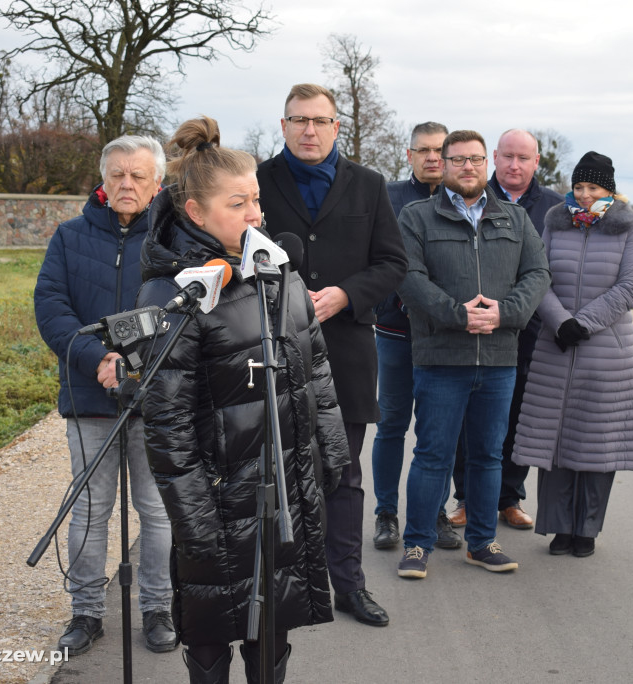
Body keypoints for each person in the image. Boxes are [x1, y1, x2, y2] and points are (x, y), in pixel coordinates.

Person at [136, 116, 350, 683]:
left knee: (273, 626)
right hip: (216, 494)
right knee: (210, 631)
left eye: (256, 200)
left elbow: (317, 371)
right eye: (238, 204)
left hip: (284, 487)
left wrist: (330, 458)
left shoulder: (279, 273)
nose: (255, 214)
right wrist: (193, 511)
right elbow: (167, 421)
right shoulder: (174, 291)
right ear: (197, 213)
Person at [257, 84, 407, 627]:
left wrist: (345, 294)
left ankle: (349, 585)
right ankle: (284, 586)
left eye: (320, 121)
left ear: (336, 127)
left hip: (345, 352)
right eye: (298, 120)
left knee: (342, 475)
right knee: (275, 473)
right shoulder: (255, 182)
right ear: (283, 124)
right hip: (269, 352)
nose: (309, 130)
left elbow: (393, 263)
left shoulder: (369, 186)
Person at [34, 135, 176, 655]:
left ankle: (157, 608)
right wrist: (100, 360)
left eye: (138, 175)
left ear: (157, 183)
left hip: (156, 397)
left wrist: (140, 364)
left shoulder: (174, 241)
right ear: (103, 179)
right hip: (90, 398)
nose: (127, 184)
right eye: (117, 174)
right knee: (91, 509)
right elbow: (51, 309)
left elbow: (185, 314)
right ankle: (86, 613)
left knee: (157, 510)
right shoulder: (69, 237)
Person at [395, 130, 550, 580]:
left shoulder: (515, 219)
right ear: (442, 165)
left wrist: (505, 313)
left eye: (475, 160)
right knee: (432, 455)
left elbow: (538, 273)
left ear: (487, 165)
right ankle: (417, 545)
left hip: (500, 359)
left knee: (487, 456)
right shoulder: (417, 217)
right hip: (442, 358)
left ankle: (482, 543)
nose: (467, 167)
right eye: (458, 160)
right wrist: (457, 315)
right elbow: (409, 276)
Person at [512, 151, 633, 558]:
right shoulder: (555, 222)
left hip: (607, 354)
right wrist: (558, 321)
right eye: (579, 187)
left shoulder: (631, 226)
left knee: (595, 446)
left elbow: (629, 288)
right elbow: (538, 276)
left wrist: (581, 324)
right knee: (552, 444)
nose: (585, 195)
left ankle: (586, 529)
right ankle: (558, 528)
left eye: (593, 187)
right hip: (555, 348)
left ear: (609, 189)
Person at [447, 129, 564, 531]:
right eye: (508, 156)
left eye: (524, 158)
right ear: (494, 157)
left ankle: (509, 498)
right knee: (468, 420)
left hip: (532, 331)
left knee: (519, 418)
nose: (515, 165)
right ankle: (465, 498)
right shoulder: (474, 195)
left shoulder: (554, 208)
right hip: (475, 329)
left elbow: (548, 271)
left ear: (536, 162)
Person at [371, 121, 462, 552]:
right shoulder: (387, 198)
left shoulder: (464, 201)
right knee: (390, 425)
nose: (432, 157)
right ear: (409, 155)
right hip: (395, 332)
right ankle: (386, 513)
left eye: (439, 151)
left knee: (437, 432)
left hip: (444, 337)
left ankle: (434, 512)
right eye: (423, 150)